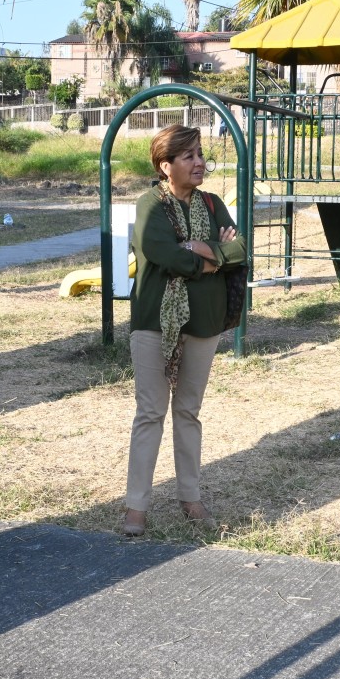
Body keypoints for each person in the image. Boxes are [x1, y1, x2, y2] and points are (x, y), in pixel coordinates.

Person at [122, 124, 248, 537]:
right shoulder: (149, 206)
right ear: (165, 166)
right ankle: (136, 508)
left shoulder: (212, 205)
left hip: (205, 322)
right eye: (188, 156)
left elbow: (239, 249)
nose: (199, 162)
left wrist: (200, 249)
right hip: (154, 324)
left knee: (189, 411)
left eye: (200, 154)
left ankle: (190, 499)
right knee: (150, 414)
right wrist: (210, 259)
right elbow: (161, 253)